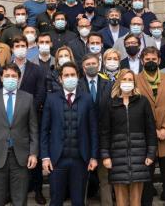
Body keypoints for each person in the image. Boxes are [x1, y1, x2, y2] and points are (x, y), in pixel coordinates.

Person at [0, 63, 39, 206]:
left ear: (18, 79)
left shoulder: (28, 98)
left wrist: (33, 153)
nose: (10, 78)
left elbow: (33, 129)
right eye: (7, 76)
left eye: (14, 76)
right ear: (1, 77)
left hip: (21, 156)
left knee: (20, 199)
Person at [41, 62, 99, 206]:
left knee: (79, 201)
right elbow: (44, 130)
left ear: (78, 77)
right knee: (56, 200)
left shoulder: (86, 98)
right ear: (60, 79)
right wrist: (45, 157)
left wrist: (93, 156)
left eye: (72, 75)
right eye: (66, 75)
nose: (70, 78)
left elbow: (93, 130)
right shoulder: (51, 99)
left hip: (80, 160)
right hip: (57, 160)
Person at [101, 70, 157, 206]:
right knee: (121, 201)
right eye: (124, 79)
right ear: (119, 82)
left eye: (130, 80)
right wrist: (105, 156)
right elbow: (104, 132)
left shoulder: (142, 102)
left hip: (139, 157)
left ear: (134, 82)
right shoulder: (110, 104)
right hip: (117, 158)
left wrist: (151, 153)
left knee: (136, 201)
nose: (127, 83)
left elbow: (150, 130)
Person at [136, 47, 165, 206]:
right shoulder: (135, 80)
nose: (151, 62)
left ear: (159, 60)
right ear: (142, 61)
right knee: (147, 177)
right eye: (147, 60)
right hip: (146, 138)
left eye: (154, 59)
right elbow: (135, 109)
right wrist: (152, 131)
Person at [78, 53, 114, 202]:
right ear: (83, 67)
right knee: (82, 179)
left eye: (94, 63)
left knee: (105, 178)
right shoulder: (77, 84)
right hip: (83, 137)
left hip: (105, 136)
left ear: (99, 64)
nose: (91, 66)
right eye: (88, 64)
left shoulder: (109, 84)